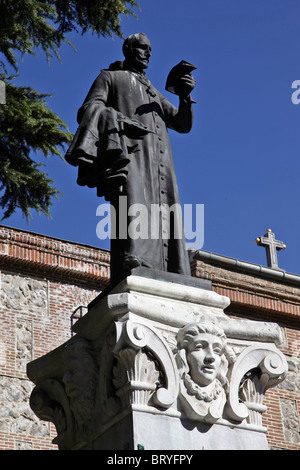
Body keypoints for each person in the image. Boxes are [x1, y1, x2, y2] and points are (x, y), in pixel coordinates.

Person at [66, 33, 196, 282]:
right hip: (130, 156)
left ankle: (173, 269)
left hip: (161, 164)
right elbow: (89, 109)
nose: (147, 53)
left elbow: (182, 124)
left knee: (165, 208)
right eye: (142, 48)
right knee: (132, 202)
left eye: (150, 49)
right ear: (127, 49)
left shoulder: (154, 92)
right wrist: (121, 121)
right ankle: (133, 257)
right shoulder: (110, 78)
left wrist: (185, 97)